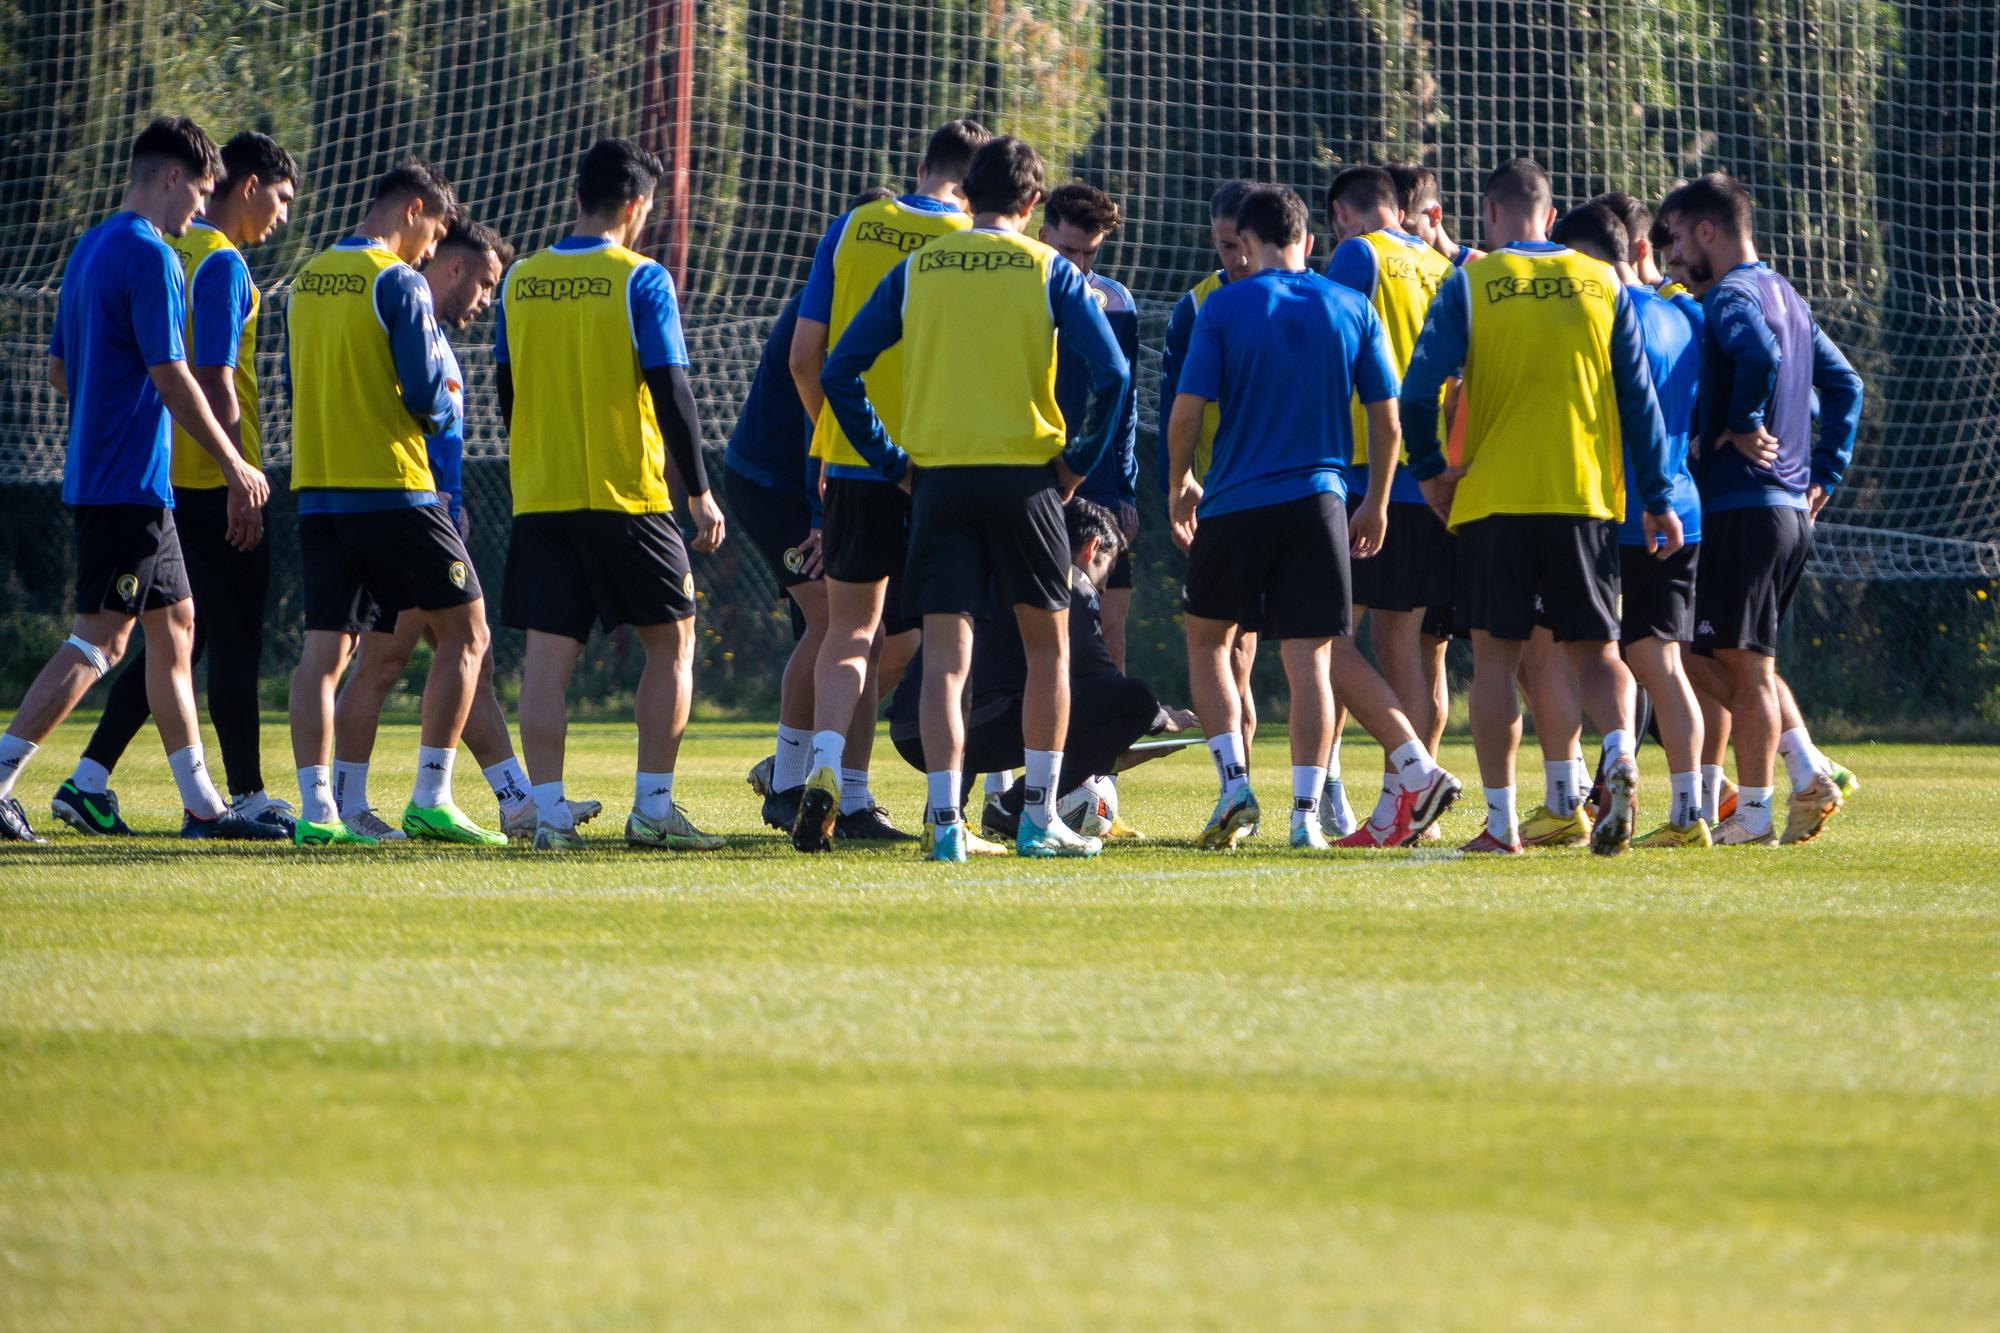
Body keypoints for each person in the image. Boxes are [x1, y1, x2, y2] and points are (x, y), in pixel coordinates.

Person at [822, 134, 1130, 861]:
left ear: (968, 196)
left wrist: (893, 461)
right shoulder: (1049, 268)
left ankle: (944, 824)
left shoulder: (918, 266)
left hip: (938, 481)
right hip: (1025, 480)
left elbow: (842, 371)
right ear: (1032, 203)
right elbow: (1112, 372)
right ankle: (1035, 817)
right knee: (1046, 650)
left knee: (946, 658)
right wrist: (1077, 463)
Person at [0, 117, 277, 843]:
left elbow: (61, 370)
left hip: (123, 481)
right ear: (171, 178)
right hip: (128, 483)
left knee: (177, 628)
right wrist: (234, 463)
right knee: (98, 642)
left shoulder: (90, 247)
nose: (199, 209)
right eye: (200, 191)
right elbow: (175, 374)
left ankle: (202, 807)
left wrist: (111, 406)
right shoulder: (153, 256)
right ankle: (0, 775)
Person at [1166, 184, 1461, 852]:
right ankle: (1307, 815)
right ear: (1309, 239)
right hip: (1323, 499)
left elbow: (1186, 410)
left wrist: (1181, 477)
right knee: (1314, 655)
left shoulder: (1225, 305)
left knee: (1209, 640)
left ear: (1250, 239)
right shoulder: (1351, 305)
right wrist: (1377, 500)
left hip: (1236, 499)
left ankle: (1235, 785)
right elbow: (1388, 419)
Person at [1401, 158, 1676, 856]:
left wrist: (1432, 471)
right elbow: (1641, 405)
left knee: (1496, 662)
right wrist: (1658, 498)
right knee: (1595, 649)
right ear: (1552, 218)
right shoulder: (1605, 284)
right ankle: (1618, 752)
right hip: (1584, 496)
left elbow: (1416, 389)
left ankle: (1501, 825)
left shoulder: (1474, 281)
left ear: (1490, 215)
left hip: (1494, 499)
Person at [326, 220, 590, 842]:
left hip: (430, 511)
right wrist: (436, 501)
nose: (486, 301)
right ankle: (380, 802)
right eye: (486, 284)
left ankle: (514, 800)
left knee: (467, 652)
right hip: (409, 509)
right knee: (395, 658)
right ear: (454, 265)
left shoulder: (431, 330)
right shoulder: (403, 307)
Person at [495, 137, 725, 852]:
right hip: (628, 496)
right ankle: (652, 808)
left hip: (542, 496)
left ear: (577, 197)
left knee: (546, 659)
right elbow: (671, 388)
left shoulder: (520, 280)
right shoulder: (640, 279)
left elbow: (508, 392)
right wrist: (700, 494)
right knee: (673, 642)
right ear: (635, 205)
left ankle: (552, 815)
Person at [786, 120, 990, 852]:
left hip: (853, 461)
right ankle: (949, 811)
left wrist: (830, 434)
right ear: (976, 185)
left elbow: (807, 357)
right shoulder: (979, 245)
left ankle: (829, 774)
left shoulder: (853, 226)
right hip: (942, 465)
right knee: (947, 642)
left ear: (921, 166)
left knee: (850, 633)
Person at [287, 158, 499, 847]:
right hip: (395, 488)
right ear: (412, 210)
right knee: (469, 633)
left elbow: (296, 389)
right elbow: (426, 396)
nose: (433, 249)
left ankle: (322, 811)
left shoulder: (305, 281)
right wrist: (446, 402)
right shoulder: (398, 281)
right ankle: (433, 795)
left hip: (318, 491)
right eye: (434, 232)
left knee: (325, 653)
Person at [1659, 172, 1863, 845]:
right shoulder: (1787, 293)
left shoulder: (1732, 296)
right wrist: (1823, 474)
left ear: (1708, 231)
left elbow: (1759, 352)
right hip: (1786, 511)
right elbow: (1846, 385)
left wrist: (1743, 420)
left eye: (1681, 238)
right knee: (1722, 657)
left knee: (1727, 664)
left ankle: (1757, 810)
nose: (1678, 253)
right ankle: (1801, 766)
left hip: (1745, 506)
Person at [731, 188, 916, 839]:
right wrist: (818, 513)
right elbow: (819, 411)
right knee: (833, 622)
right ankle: (790, 782)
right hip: (777, 484)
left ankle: (823, 769)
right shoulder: (841, 314)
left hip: (836, 479)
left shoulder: (871, 303)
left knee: (887, 635)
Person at [1524, 201, 1709, 848]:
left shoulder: (1606, 313)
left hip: (1607, 509)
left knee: (1550, 651)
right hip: (1682, 504)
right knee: (1662, 663)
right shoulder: (1688, 314)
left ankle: (1566, 797)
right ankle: (1689, 812)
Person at [887, 500, 1194, 837]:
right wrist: (1157, 718)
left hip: (911, 727)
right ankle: (1017, 809)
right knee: (1133, 699)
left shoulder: (998, 564)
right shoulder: (1070, 581)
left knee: (987, 680)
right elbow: (1101, 684)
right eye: (1108, 568)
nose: (1104, 587)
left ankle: (947, 811)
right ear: (1092, 548)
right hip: (974, 723)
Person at [1322, 164, 1456, 842]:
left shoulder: (1359, 253)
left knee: (1317, 632)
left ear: (1343, 212)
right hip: (1432, 475)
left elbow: (1331, 346)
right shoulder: (1437, 265)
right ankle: (1406, 808)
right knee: (1412, 643)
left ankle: (1413, 779)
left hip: (1367, 471)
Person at [1159, 179, 1261, 766]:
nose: (1238, 259)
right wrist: (1178, 486)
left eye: (1244, 245)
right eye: (1226, 247)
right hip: (1219, 498)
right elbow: (1177, 407)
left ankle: (1323, 794)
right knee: (1230, 651)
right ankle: (1237, 786)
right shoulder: (1196, 307)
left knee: (1313, 650)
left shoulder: (1298, 296)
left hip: (1285, 495)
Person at [1040, 183, 1140, 669]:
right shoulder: (1020, 294)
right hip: (1032, 481)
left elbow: (1127, 401)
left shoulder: (1115, 303)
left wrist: (1127, 490)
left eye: (1090, 253)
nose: (1078, 264)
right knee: (1036, 628)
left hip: (1097, 486)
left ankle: (1109, 742)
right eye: (1068, 250)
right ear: (1043, 235)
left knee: (1108, 632)